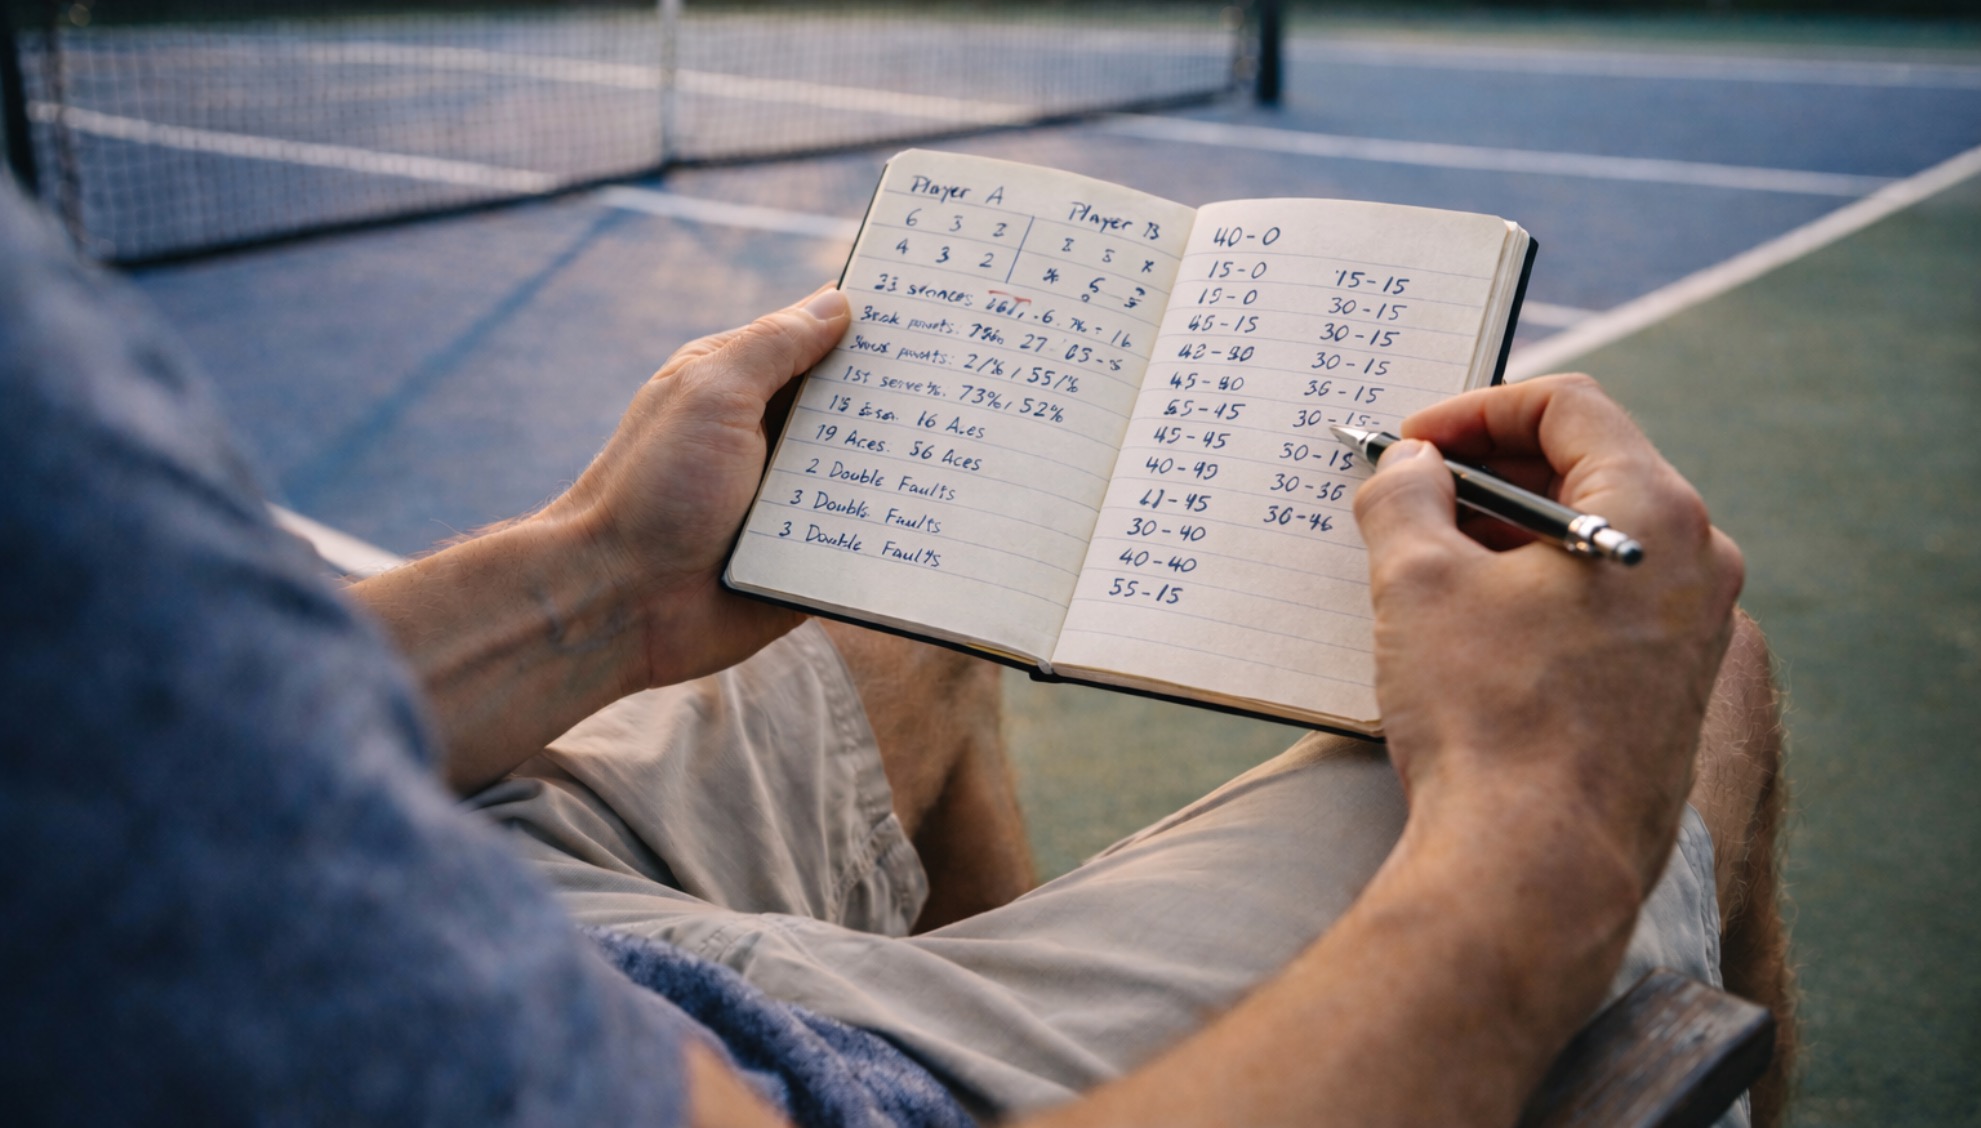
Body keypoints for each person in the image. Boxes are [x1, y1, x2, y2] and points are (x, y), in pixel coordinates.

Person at [0, 175, 1789, 1126]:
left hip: (472, 921)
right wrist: (1542, 826)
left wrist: (598, 584)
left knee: (877, 597)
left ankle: (991, 992)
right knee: (1680, 665)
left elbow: (101, 781)